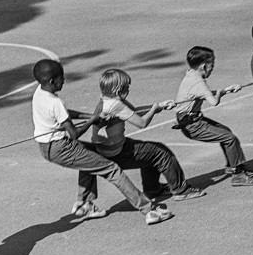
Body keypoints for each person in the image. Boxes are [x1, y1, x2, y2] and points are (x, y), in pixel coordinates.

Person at [31, 59, 172, 225]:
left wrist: (89, 116)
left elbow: (64, 114)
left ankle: (84, 204)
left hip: (47, 147)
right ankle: (149, 210)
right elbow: (75, 134)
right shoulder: (56, 102)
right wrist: (93, 120)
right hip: (62, 147)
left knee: (90, 158)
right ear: (52, 81)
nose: (64, 81)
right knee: (112, 169)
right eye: (62, 78)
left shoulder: (40, 92)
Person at [79, 68, 206, 206]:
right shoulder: (115, 105)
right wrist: (154, 110)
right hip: (116, 153)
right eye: (126, 87)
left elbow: (133, 112)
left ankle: (153, 189)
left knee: (149, 151)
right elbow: (142, 123)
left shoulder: (106, 100)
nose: (128, 90)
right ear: (117, 90)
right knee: (161, 152)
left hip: (111, 147)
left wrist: (159, 106)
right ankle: (181, 190)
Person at [175, 47, 253, 187]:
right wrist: (220, 94)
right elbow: (214, 101)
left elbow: (203, 93)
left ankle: (231, 164)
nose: (213, 68)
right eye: (212, 65)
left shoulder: (191, 75)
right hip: (192, 124)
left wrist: (227, 90)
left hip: (191, 119)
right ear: (203, 66)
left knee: (226, 131)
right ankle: (238, 175)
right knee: (229, 138)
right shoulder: (198, 82)